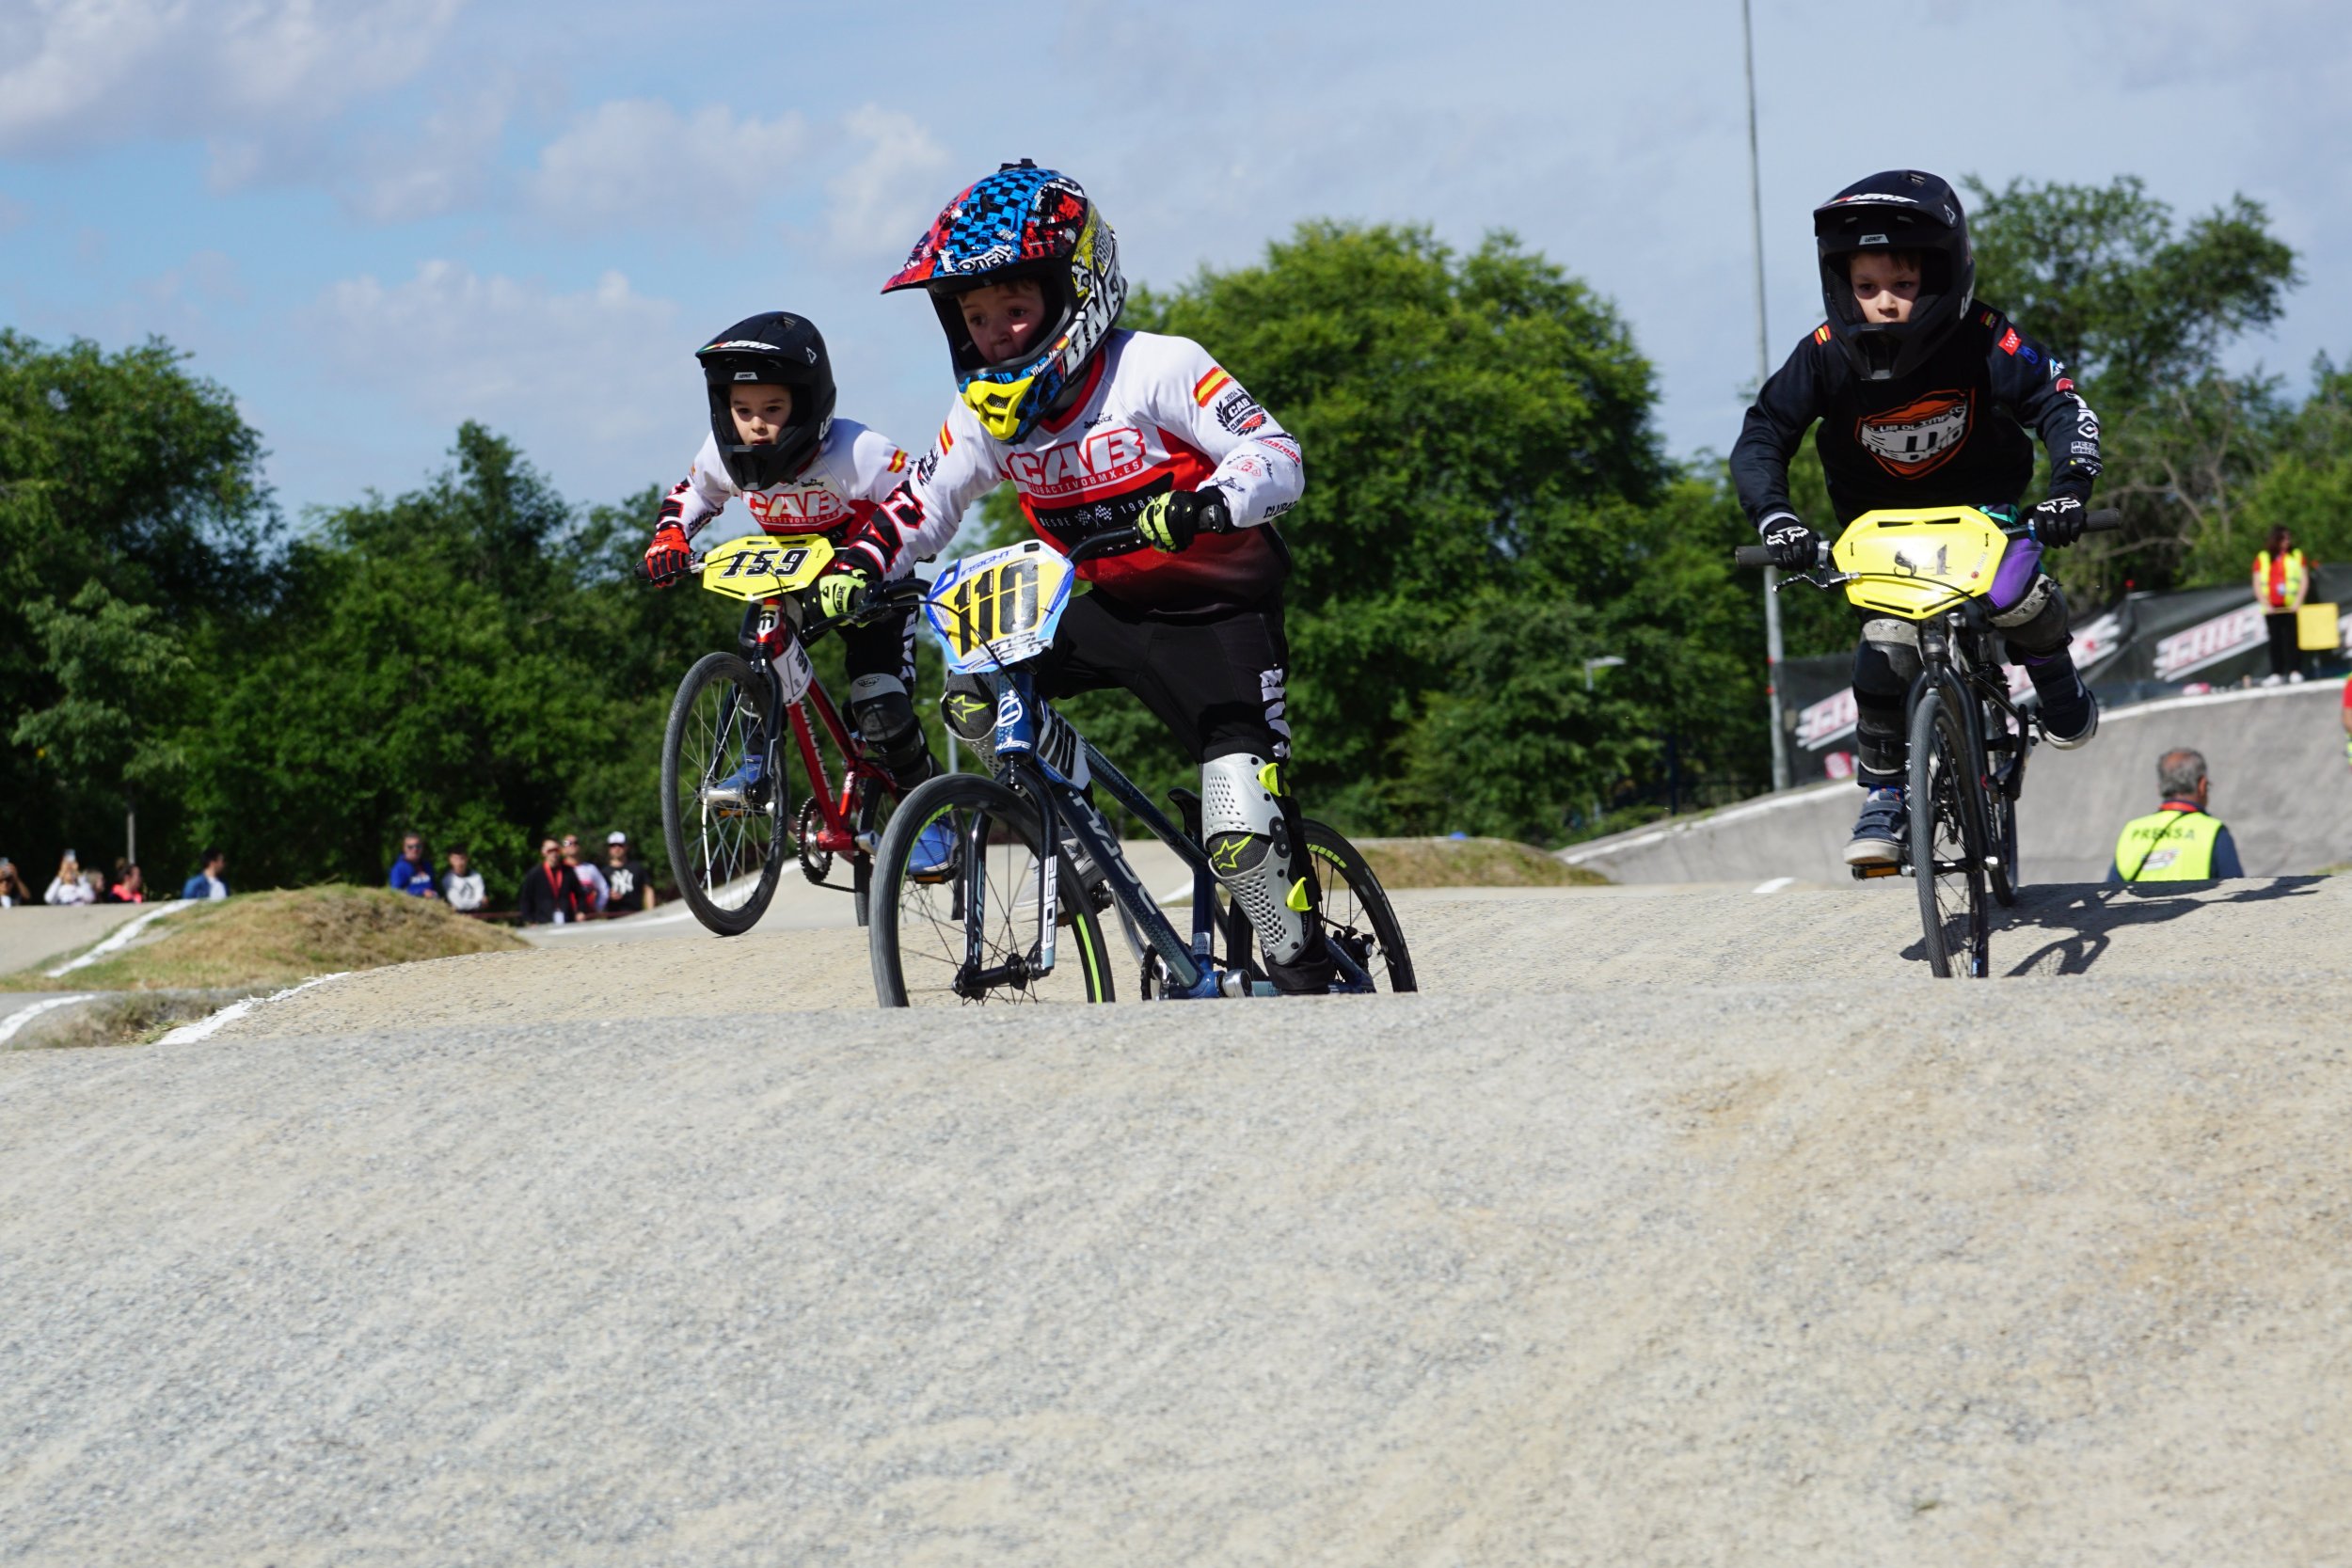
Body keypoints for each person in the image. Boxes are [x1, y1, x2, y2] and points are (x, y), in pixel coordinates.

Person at [830, 161, 1341, 992]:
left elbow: (1277, 455)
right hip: (1110, 608)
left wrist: (1209, 504)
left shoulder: (1157, 366)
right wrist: (860, 562)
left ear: (1077, 291)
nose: (995, 332)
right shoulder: (983, 415)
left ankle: (1314, 977)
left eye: (1016, 308)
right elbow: (924, 503)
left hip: (1220, 613)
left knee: (1241, 835)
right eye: (975, 315)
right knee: (973, 683)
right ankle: (1075, 841)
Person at [1733, 169, 2106, 867]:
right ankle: (1882, 794)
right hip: (1882, 528)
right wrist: (1777, 520)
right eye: (1867, 288)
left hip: (1985, 512)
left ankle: (2055, 676)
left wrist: (2068, 491)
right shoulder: (1822, 353)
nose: (1884, 304)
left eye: (1902, 287)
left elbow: (2061, 407)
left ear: (1944, 275)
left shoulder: (1988, 337)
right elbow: (1763, 435)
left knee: (2014, 595)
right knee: (1885, 641)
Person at [639, 310, 950, 876]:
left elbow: (920, 501)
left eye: (773, 409)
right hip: (792, 576)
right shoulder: (724, 451)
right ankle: (755, 760)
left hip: (872, 579)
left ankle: (928, 815)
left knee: (878, 705)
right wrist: (669, 537)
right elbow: (693, 493)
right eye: (743, 410)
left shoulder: (858, 451)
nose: (755, 425)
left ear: (807, 404)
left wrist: (896, 562)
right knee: (761, 643)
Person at [2110, 749, 2244, 882]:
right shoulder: (2212, 831)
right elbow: (2237, 889)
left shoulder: (2132, 830)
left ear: (2159, 787)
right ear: (2202, 785)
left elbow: (2110, 891)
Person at [2253, 524, 2310, 686]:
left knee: (2292, 639)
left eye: (2288, 538)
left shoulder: (2297, 555)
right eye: (2283, 538)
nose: (2286, 542)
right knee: (2275, 640)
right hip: (2271, 607)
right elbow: (2257, 583)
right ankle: (2277, 672)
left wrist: (2298, 601)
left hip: (2291, 606)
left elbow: (2304, 579)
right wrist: (2265, 603)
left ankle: (2295, 670)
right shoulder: (2263, 557)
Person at [517, 836, 589, 925]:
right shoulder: (535, 874)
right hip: (542, 923)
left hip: (567, 921)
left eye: (556, 850)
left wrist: (581, 911)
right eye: (550, 851)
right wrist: (530, 920)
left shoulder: (568, 871)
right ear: (543, 852)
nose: (554, 854)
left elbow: (580, 894)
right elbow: (526, 899)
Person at [602, 831, 655, 913]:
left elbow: (648, 889)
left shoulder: (637, 867)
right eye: (612, 845)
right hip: (614, 918)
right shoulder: (603, 872)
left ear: (626, 847)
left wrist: (651, 912)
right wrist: (607, 896)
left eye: (620, 845)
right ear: (609, 848)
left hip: (637, 915)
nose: (616, 848)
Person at [561, 833, 609, 914]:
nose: (572, 845)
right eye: (568, 843)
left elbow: (604, 889)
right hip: (567, 916)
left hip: (588, 915)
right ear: (562, 849)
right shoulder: (560, 870)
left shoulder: (590, 868)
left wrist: (598, 907)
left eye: (576, 843)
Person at [389, 832, 438, 897]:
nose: (415, 849)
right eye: (410, 847)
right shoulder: (399, 868)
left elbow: (433, 886)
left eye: (418, 846)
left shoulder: (427, 865)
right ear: (404, 848)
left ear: (422, 847)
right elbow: (396, 891)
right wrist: (421, 892)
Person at [441, 847, 485, 911]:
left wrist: (480, 903)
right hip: (458, 917)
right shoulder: (448, 880)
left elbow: (481, 898)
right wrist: (478, 904)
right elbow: (459, 905)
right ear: (450, 860)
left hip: (477, 914)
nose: (460, 863)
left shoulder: (476, 876)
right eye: (456, 859)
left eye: (462, 858)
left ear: (467, 859)